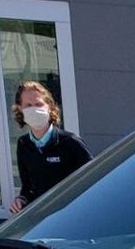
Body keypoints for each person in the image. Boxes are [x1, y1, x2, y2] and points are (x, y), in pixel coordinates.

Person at [7, 81, 89, 212]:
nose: (34, 109)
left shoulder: (70, 142)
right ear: (20, 110)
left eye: (39, 104)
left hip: (72, 213)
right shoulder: (23, 144)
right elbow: (28, 188)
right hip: (40, 217)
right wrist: (21, 200)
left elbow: (93, 179)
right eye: (28, 105)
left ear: (49, 107)